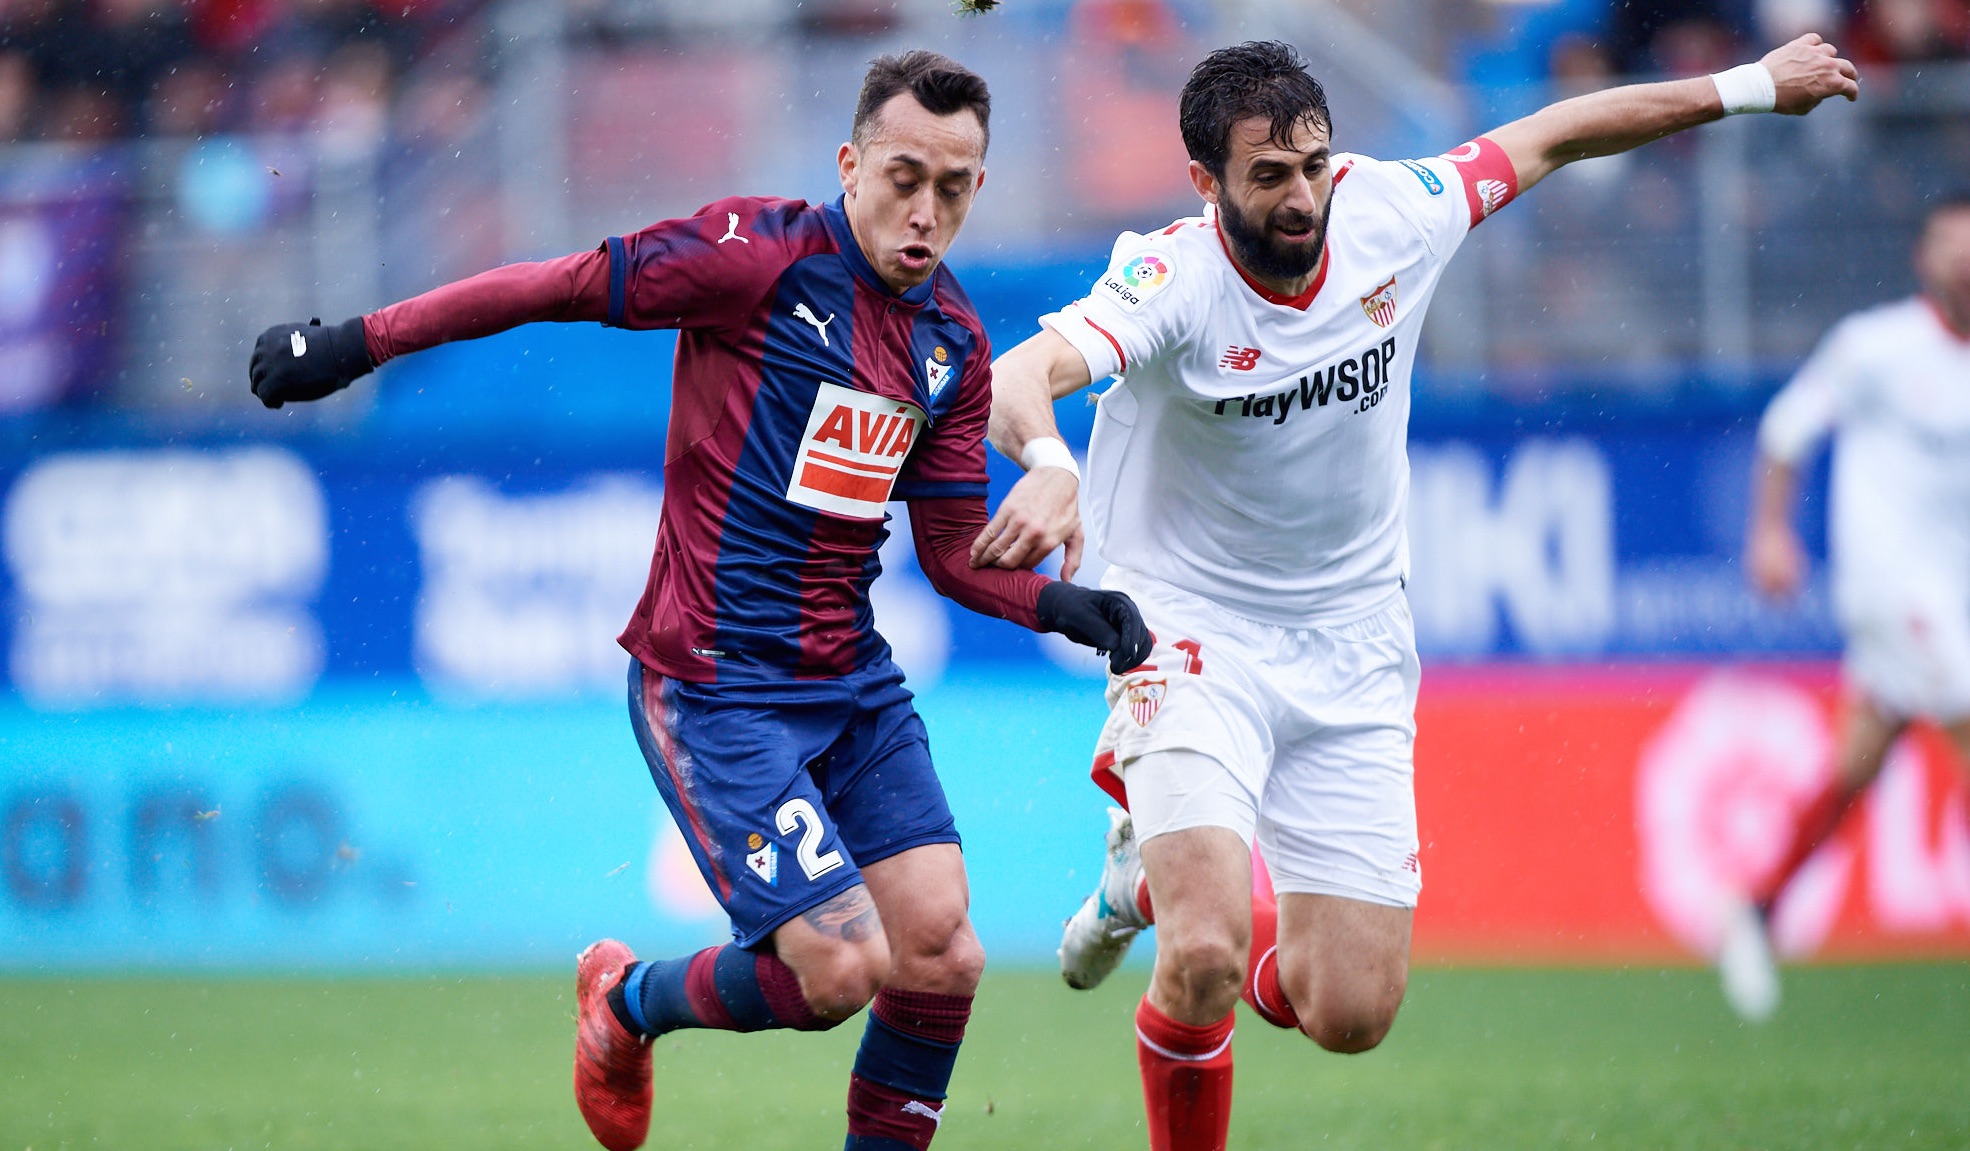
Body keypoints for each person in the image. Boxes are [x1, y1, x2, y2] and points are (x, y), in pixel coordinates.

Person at [246, 51, 1151, 1151]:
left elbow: (957, 554)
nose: (925, 211)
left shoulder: (950, 343)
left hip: (851, 685)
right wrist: (355, 343)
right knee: (837, 968)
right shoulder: (756, 258)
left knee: (942, 955)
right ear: (849, 163)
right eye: (903, 177)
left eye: (953, 188)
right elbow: (559, 283)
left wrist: (1067, 607)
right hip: (713, 685)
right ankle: (622, 1006)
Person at [976, 36, 1858, 1151]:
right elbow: (1017, 375)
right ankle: (1171, 899)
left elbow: (1554, 133)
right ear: (1205, 184)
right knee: (1200, 958)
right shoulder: (1172, 278)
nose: (1302, 198)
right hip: (1187, 628)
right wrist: (1051, 463)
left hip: (1352, 644)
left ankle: (1136, 882)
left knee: (1348, 1010)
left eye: (1313, 164)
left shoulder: (1394, 210)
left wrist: (1746, 88)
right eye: (1267, 176)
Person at [1720, 192, 1970, 1022]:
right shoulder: (1876, 347)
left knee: (1852, 771)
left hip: (1954, 595)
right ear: (1922, 260)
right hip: (1891, 591)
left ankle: (1754, 910)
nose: (1962, 260)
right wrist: (1770, 534)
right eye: (1948, 244)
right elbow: (1788, 431)